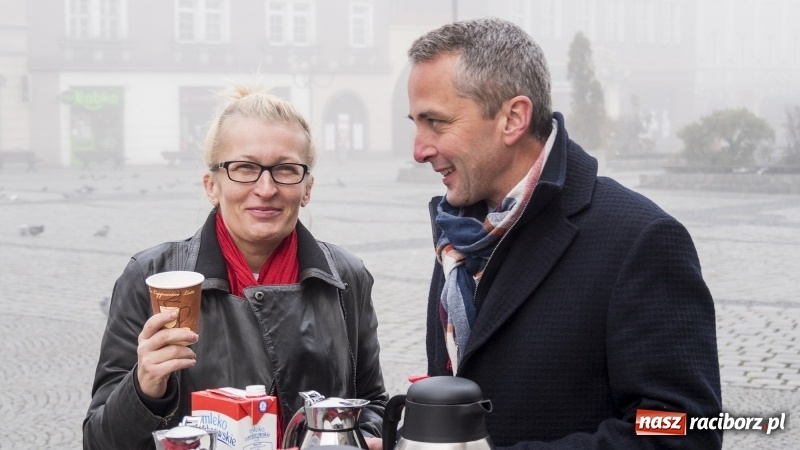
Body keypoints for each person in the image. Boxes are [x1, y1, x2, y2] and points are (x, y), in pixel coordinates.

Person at [406, 18, 722, 448]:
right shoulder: (460, 236)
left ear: (513, 118)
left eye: (436, 123)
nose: (418, 149)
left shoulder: (641, 239)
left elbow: (682, 426)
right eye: (415, 124)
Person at [83, 84, 388, 450]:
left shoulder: (346, 278)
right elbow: (99, 441)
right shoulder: (150, 277)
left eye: (286, 169)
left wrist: (360, 438)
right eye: (244, 168)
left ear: (307, 187)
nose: (266, 187)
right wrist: (143, 387)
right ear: (212, 185)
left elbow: (372, 403)